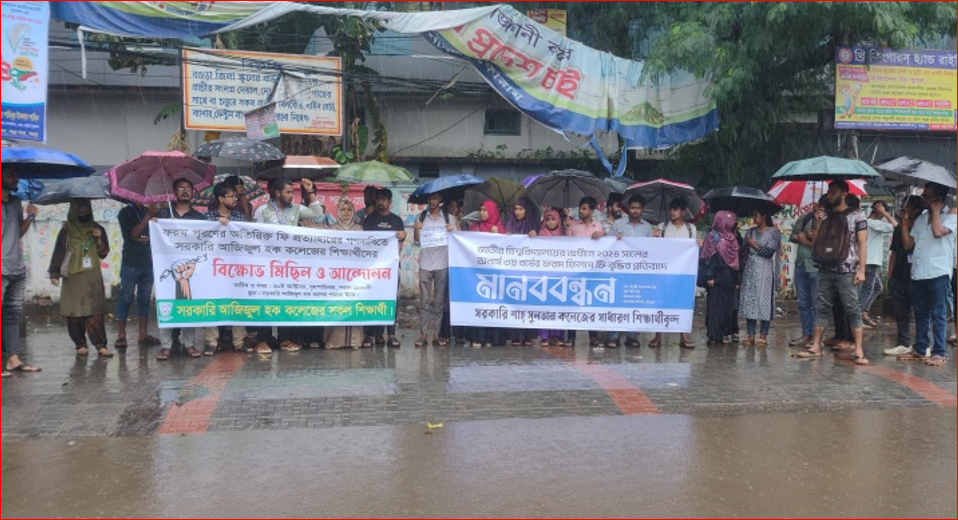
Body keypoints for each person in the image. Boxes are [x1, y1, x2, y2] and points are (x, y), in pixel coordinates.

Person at [797, 181, 870, 366]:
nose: (829, 195)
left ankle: (859, 350)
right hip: (826, 268)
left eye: (833, 192)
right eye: (829, 192)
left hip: (847, 270)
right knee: (822, 307)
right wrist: (820, 220)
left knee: (852, 308)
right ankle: (815, 345)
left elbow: (862, 243)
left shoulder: (857, 215)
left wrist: (861, 269)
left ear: (844, 194)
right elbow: (817, 243)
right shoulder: (827, 215)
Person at [252, 178, 326, 354]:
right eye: (288, 192)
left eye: (292, 192)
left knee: (287, 298)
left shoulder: (296, 210)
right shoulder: (262, 211)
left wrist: (310, 192)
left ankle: (285, 338)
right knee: (266, 300)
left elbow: (318, 214)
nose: (292, 196)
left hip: (290, 265)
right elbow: (254, 235)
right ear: (277, 193)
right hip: (267, 264)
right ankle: (263, 339)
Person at [135, 178, 207, 361]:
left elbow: (209, 240)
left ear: (193, 193)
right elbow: (138, 235)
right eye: (181, 188)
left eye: (188, 188)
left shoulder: (199, 218)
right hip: (166, 271)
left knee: (188, 305)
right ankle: (166, 346)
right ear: (174, 192)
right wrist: (157, 222)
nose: (185, 191)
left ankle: (189, 345)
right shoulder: (163, 214)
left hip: (190, 270)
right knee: (165, 304)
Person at [897, 183, 956, 367]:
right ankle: (921, 348)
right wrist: (906, 222)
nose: (923, 199)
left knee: (938, 313)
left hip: (938, 271)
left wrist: (936, 212)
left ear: (938, 198)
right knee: (921, 313)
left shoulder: (952, 216)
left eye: (927, 196)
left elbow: (938, 233)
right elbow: (908, 245)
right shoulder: (922, 219)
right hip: (919, 271)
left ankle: (939, 351)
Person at [48, 199, 113, 358]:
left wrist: (98, 238)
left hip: (91, 275)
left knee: (95, 312)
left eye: (86, 209)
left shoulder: (97, 228)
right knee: (74, 312)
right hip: (72, 276)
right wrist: (54, 273)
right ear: (73, 210)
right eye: (79, 209)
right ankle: (80, 344)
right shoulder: (67, 230)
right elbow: (59, 251)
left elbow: (104, 253)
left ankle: (100, 345)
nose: (83, 212)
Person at [1, 164, 41, 377]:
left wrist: (30, 217)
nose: (14, 178)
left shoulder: (16, 203)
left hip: (16, 268)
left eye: (15, 175)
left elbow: (16, 233)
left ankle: (12, 359)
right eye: (9, 175)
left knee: (12, 314)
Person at [202, 182, 248, 355]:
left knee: (237, 301)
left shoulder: (240, 218)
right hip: (212, 267)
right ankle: (211, 342)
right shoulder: (207, 218)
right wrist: (216, 223)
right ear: (221, 198)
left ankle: (238, 340)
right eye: (231, 196)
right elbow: (201, 235)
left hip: (234, 268)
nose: (235, 199)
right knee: (212, 301)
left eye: (236, 196)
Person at [362, 188, 407, 349]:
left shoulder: (396, 221)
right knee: (370, 299)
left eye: (384, 199)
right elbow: (365, 243)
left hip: (391, 268)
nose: (380, 202)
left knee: (391, 300)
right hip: (372, 268)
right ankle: (370, 335)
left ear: (390, 202)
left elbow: (399, 246)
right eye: (379, 199)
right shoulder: (369, 220)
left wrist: (402, 237)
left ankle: (391, 334)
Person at [650, 199, 696, 349]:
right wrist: (653, 238)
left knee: (683, 303)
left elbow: (693, 250)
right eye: (670, 209)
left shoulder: (691, 229)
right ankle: (658, 336)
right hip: (664, 272)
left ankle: (683, 336)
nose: (672, 212)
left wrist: (698, 244)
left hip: (684, 273)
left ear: (683, 212)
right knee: (661, 302)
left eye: (675, 209)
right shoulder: (662, 228)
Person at [883, 196, 924, 357]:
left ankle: (923, 343)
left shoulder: (922, 227)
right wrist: (890, 272)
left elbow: (910, 245)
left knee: (921, 312)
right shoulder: (900, 228)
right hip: (900, 275)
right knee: (900, 311)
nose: (903, 209)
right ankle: (903, 342)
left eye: (907, 206)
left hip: (918, 275)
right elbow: (894, 251)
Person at [414, 193, 456, 348]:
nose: (432, 201)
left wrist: (452, 231)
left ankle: (437, 334)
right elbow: (417, 242)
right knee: (424, 301)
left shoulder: (449, 219)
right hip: (425, 263)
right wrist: (417, 230)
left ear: (440, 200)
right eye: (430, 198)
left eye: (435, 198)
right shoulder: (420, 217)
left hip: (442, 263)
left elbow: (457, 241)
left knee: (439, 302)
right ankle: (423, 334)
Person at [115, 202, 159, 351]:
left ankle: (143, 333)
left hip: (148, 261)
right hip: (131, 261)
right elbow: (133, 234)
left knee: (144, 297)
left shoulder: (151, 210)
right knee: (126, 296)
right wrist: (147, 217)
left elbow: (157, 234)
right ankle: (121, 334)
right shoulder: (125, 213)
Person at [323, 198, 365, 349]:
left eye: (349, 209)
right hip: (336, 275)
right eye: (343, 209)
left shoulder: (360, 230)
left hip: (354, 275)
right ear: (338, 212)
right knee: (337, 305)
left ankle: (354, 341)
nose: (346, 212)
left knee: (353, 305)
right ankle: (335, 341)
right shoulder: (332, 230)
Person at [565, 197, 606, 348]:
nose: (581, 211)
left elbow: (605, 245)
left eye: (584, 208)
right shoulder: (574, 225)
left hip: (593, 271)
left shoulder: (598, 226)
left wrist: (601, 235)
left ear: (592, 211)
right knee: (572, 303)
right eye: (580, 208)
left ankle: (593, 337)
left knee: (591, 303)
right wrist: (567, 228)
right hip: (575, 270)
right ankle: (571, 337)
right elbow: (566, 244)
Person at [614, 195, 654, 347]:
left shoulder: (648, 227)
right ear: (628, 209)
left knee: (635, 303)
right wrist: (614, 238)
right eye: (632, 207)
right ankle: (614, 336)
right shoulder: (618, 224)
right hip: (619, 270)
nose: (635, 210)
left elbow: (650, 249)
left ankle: (632, 337)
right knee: (617, 303)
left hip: (638, 272)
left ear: (642, 210)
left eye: (638, 208)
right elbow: (607, 246)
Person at [739, 208, 781, 348]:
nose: (754, 217)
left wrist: (754, 245)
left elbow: (769, 252)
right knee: (750, 301)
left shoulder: (774, 232)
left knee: (764, 302)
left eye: (756, 214)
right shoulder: (750, 232)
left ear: (764, 216)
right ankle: (751, 334)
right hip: (750, 268)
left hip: (764, 269)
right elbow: (743, 250)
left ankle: (763, 335)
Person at [469, 200, 505, 348]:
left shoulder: (500, 229)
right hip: (477, 272)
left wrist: (497, 236)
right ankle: (478, 337)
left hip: (495, 274)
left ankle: (492, 338)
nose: (482, 213)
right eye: (481, 210)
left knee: (494, 305)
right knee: (479, 304)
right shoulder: (474, 227)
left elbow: (507, 250)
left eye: (485, 210)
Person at [701, 211, 741, 345]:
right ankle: (714, 334)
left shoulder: (733, 237)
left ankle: (725, 333)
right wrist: (709, 276)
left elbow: (737, 259)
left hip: (729, 276)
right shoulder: (712, 237)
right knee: (715, 307)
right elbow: (707, 257)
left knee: (728, 307)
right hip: (716, 277)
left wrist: (737, 280)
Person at [504, 197, 540, 347]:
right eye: (516, 209)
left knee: (527, 301)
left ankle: (527, 336)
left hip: (529, 270)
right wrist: (506, 237)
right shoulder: (509, 224)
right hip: (512, 270)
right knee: (513, 301)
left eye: (521, 209)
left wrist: (535, 235)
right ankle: (514, 336)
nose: (517, 212)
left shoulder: (532, 225)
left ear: (527, 210)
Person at [789, 202, 823, 347]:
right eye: (818, 206)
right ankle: (806, 334)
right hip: (801, 263)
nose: (818, 209)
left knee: (816, 303)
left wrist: (809, 239)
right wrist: (798, 238)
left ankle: (817, 338)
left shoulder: (828, 221)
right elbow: (792, 236)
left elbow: (822, 247)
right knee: (803, 303)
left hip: (816, 265)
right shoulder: (805, 218)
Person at [860, 201, 897, 328]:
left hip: (870, 260)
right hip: (870, 261)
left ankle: (864, 312)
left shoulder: (868, 222)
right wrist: (885, 213)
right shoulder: (872, 223)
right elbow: (895, 226)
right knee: (867, 289)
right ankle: (859, 317)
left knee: (877, 288)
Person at [538, 209, 566, 346]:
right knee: (545, 305)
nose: (550, 222)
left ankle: (557, 335)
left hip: (560, 275)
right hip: (545, 275)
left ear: (558, 220)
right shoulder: (541, 234)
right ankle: (545, 336)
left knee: (558, 305)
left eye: (553, 219)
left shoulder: (563, 234)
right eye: (548, 219)